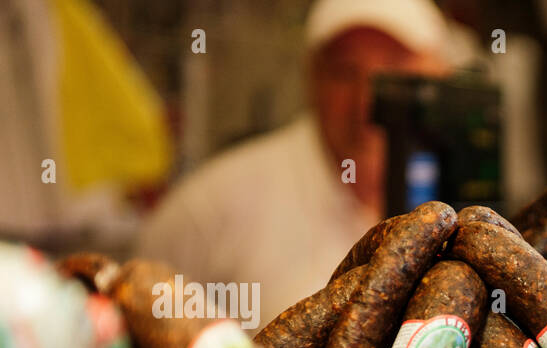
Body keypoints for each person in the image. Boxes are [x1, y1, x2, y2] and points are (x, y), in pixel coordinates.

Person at [136, 0, 456, 328]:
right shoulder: (208, 211)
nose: (367, 103)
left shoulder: (468, 201)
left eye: (396, 73)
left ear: (442, 74)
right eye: (344, 72)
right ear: (311, 80)